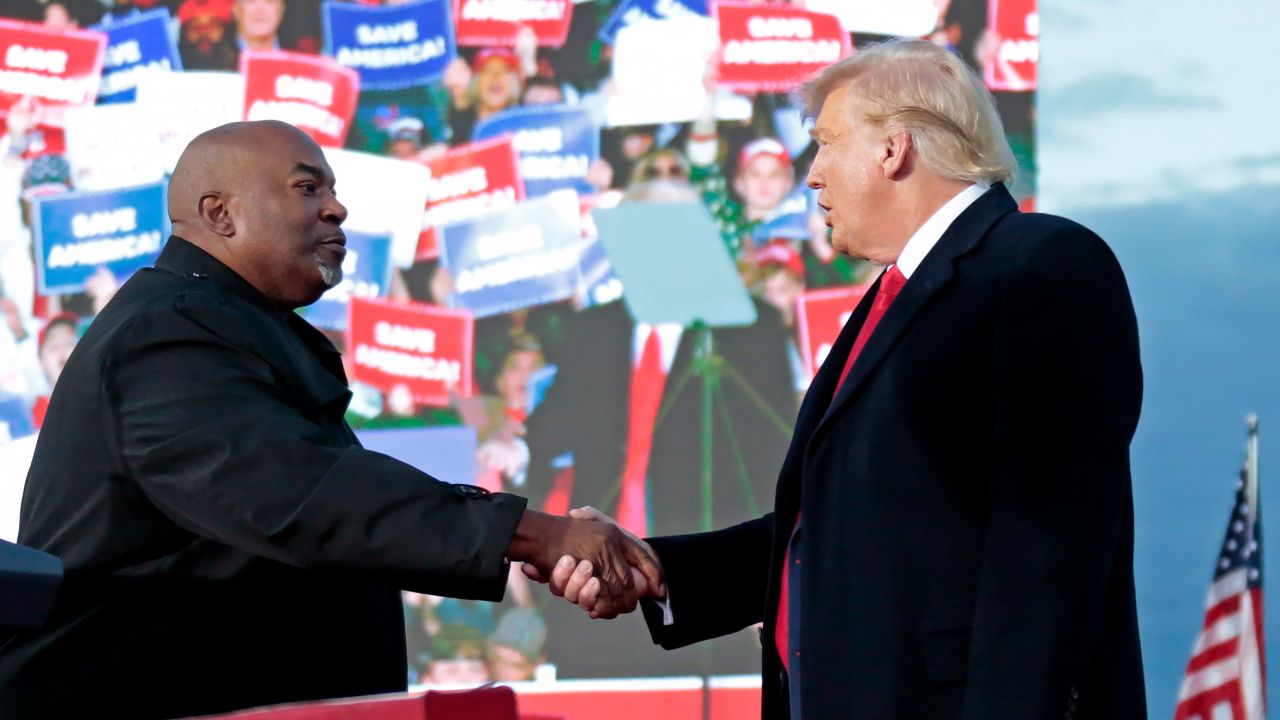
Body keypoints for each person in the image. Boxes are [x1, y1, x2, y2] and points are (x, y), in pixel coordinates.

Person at [538, 39, 1146, 719]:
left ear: (894, 149)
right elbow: (834, 530)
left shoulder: (1041, 267)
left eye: (826, 143)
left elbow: (1045, 548)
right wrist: (657, 570)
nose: (814, 175)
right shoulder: (889, 298)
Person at [0, 120, 661, 720]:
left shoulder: (226, 326)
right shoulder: (163, 335)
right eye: (306, 187)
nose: (337, 207)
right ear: (220, 214)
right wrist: (532, 534)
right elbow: (302, 494)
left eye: (333, 189)